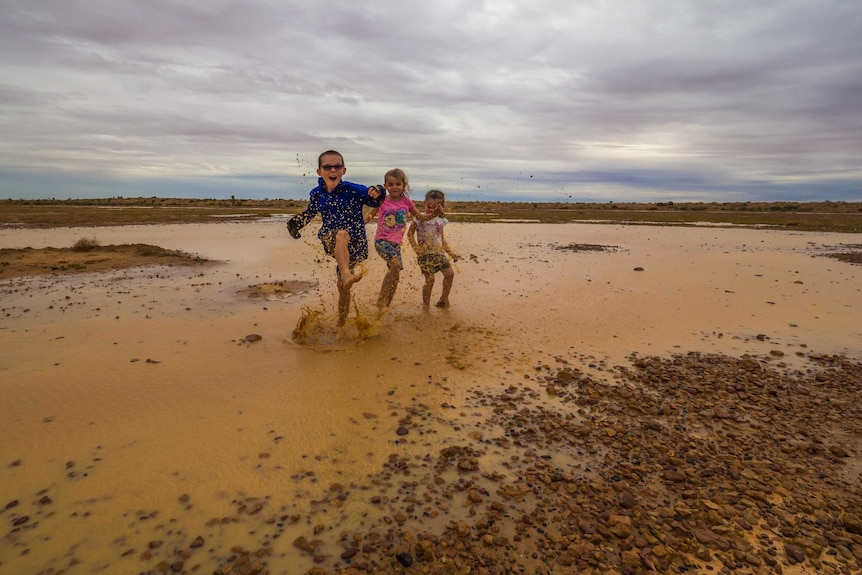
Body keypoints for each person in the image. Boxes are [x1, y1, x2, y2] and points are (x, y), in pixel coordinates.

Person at [285, 150, 386, 326]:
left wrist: (378, 191)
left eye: (337, 166)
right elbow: (310, 213)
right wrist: (296, 224)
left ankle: (341, 323)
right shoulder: (317, 194)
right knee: (340, 234)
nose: (333, 170)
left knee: (342, 288)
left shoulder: (353, 190)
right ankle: (347, 274)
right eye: (327, 167)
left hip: (356, 243)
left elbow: (375, 200)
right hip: (331, 237)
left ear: (343, 170)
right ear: (319, 172)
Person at [364, 169, 441, 310]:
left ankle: (385, 306)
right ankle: (380, 300)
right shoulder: (382, 201)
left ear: (403, 185)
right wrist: (357, 225)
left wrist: (434, 214)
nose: (394, 187)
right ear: (385, 186)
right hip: (382, 241)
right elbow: (369, 216)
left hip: (396, 245)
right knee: (395, 264)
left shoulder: (407, 202)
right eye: (391, 184)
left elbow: (421, 217)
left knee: (396, 274)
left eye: (398, 184)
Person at [406, 189, 459, 308]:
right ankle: (426, 306)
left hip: (438, 253)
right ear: (424, 204)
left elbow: (442, 238)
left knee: (450, 274)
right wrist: (416, 249)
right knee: (430, 280)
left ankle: (444, 299)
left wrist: (450, 253)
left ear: (441, 207)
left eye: (435, 207)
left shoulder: (441, 221)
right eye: (429, 206)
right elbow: (410, 234)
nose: (431, 209)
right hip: (424, 254)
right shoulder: (419, 218)